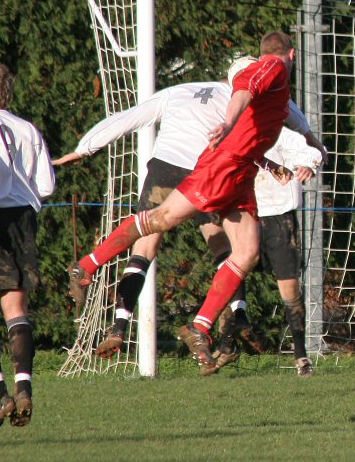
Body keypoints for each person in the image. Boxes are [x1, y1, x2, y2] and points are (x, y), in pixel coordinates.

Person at [55, 55, 323, 361]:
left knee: (242, 251)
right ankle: (87, 266)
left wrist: (83, 148)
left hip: (222, 172)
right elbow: (267, 122)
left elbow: (129, 118)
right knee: (167, 225)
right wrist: (310, 150)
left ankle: (196, 326)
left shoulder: (186, 91)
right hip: (212, 169)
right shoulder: (247, 90)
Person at [213, 127, 322, 377]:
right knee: (231, 277)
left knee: (290, 289)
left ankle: (301, 355)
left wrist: (308, 164)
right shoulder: (230, 131)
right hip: (243, 215)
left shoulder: (279, 132)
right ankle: (227, 344)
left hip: (279, 219)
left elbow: (311, 150)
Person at [0, 64, 56, 429]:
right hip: (23, 216)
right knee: (16, 307)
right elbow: (45, 185)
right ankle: (24, 387)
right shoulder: (26, 128)